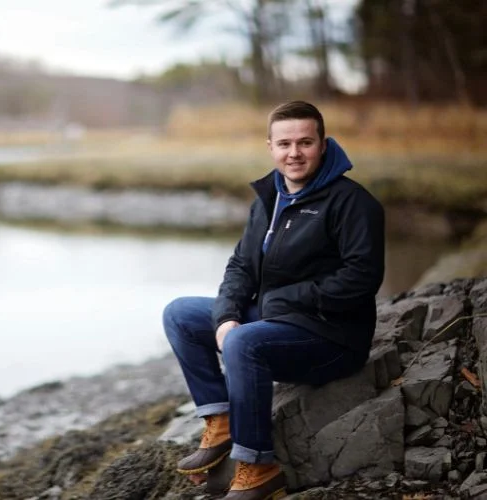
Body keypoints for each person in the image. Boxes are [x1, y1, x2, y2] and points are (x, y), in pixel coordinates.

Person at [162, 101, 385, 500]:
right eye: (284, 143)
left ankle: (258, 466)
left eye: (305, 142)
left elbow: (361, 279)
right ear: (270, 146)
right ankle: (221, 420)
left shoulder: (352, 203)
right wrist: (227, 314)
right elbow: (240, 266)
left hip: (332, 338)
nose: (294, 153)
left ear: (322, 143)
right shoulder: (270, 197)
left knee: (243, 342)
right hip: (276, 317)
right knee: (180, 314)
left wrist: (282, 302)